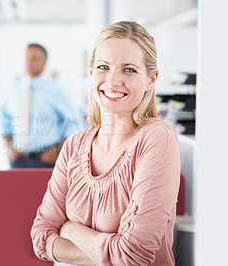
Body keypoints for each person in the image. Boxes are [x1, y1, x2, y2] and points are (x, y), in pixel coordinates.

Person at [31, 21, 180, 265]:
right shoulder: (74, 145)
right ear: (91, 72)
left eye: (129, 70)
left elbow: (134, 256)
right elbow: (40, 238)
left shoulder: (156, 140)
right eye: (103, 67)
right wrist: (112, 250)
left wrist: (69, 230)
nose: (112, 80)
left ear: (151, 80)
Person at [0, 43, 84, 168]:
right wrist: (9, 147)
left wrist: (58, 149)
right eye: (27, 58)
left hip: (46, 159)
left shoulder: (57, 90)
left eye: (34, 58)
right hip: (18, 159)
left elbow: (75, 122)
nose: (29, 62)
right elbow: (4, 120)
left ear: (44, 62)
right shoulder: (14, 89)